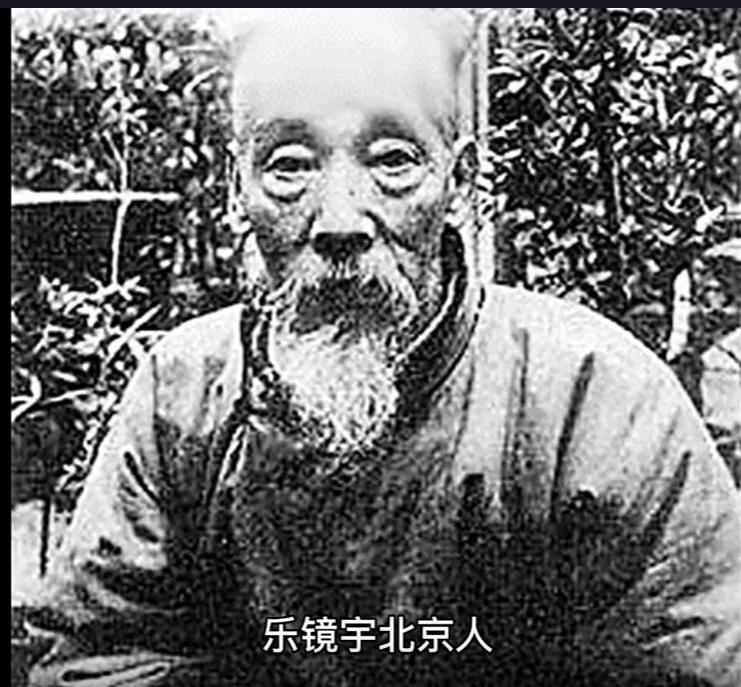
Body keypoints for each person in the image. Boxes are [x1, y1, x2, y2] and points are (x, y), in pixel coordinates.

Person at [26, 10, 741, 687]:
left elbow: (691, 663)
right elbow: (99, 656)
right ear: (237, 186)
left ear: (459, 181)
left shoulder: (598, 404)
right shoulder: (181, 394)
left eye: (392, 160)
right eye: (289, 164)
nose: (340, 220)